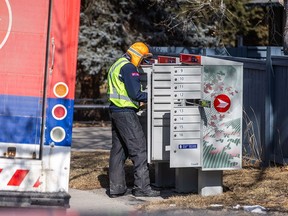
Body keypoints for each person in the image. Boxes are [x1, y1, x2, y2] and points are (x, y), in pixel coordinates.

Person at [107, 42, 160, 198]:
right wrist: (154, 96)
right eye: (143, 59)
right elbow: (135, 94)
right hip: (126, 113)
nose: (144, 63)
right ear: (137, 55)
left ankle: (116, 188)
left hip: (115, 111)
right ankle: (142, 187)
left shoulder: (117, 64)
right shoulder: (129, 68)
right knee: (139, 149)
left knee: (118, 151)